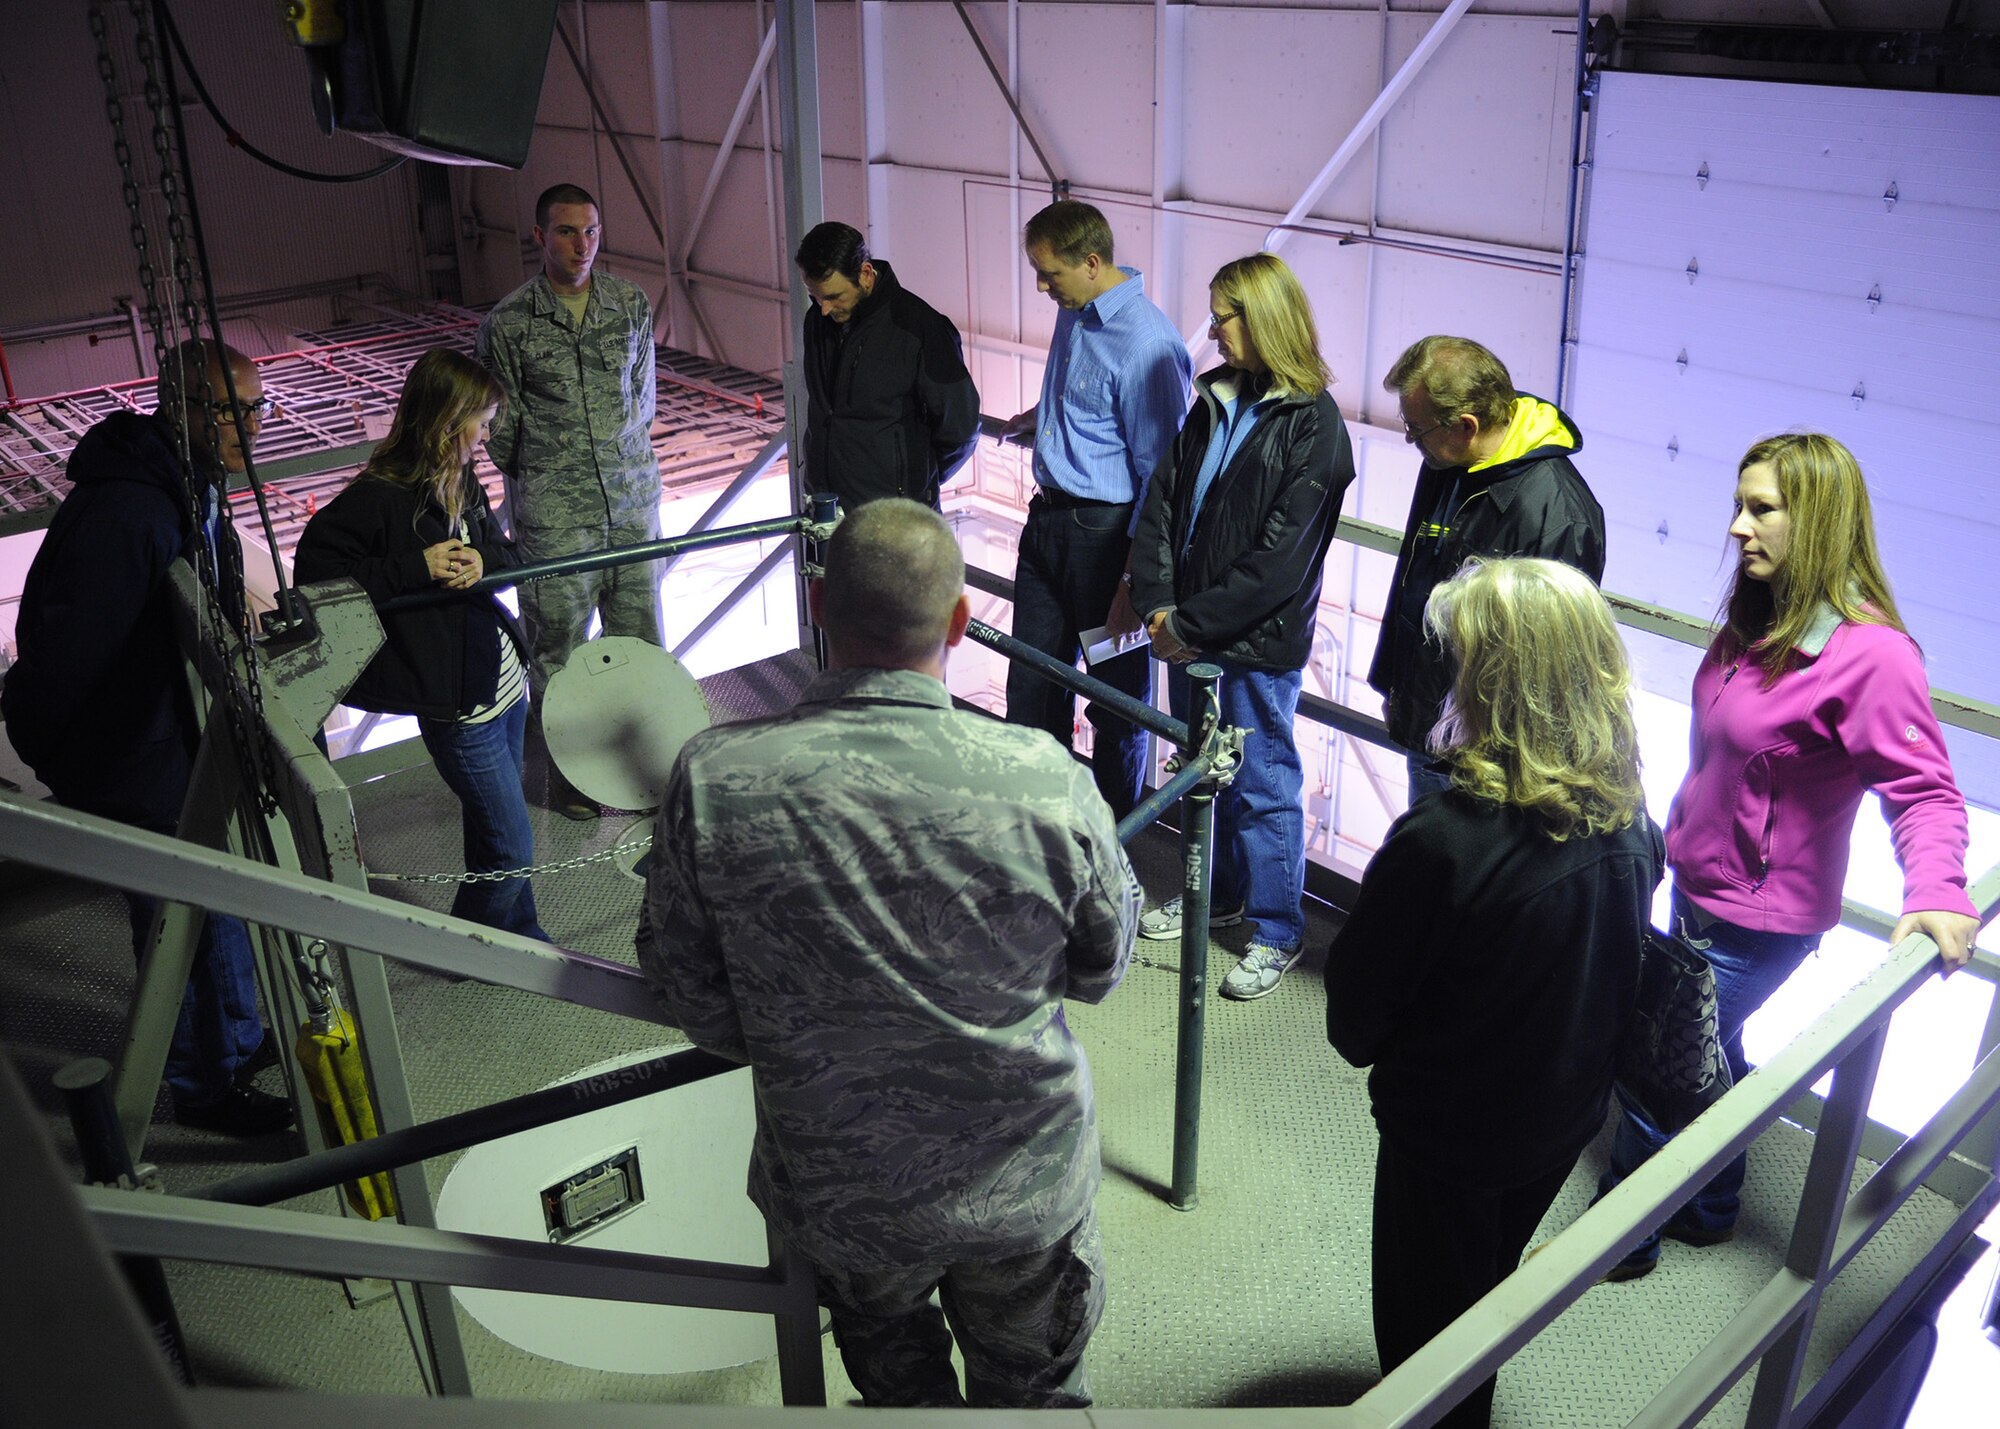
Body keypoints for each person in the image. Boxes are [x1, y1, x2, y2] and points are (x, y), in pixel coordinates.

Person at [638, 498, 1141, 1408]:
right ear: (958, 621)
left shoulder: (715, 779)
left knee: (897, 1395)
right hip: (1020, 1188)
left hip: (842, 1192)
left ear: (820, 603)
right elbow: (1103, 968)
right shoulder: (1045, 779)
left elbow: (694, 994)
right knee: (1034, 1396)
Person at [1598, 431, 1981, 1281]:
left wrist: (1941, 889)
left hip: (1758, 921)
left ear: (1817, 519)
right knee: (1711, 1050)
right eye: (1740, 505)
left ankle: (1614, 1240)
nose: (1738, 526)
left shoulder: (1870, 654)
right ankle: (1713, 1203)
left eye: (1761, 508)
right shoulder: (1755, 617)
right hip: (1695, 881)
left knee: (1662, 1059)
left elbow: (1923, 792)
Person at [1325, 558, 1661, 1429]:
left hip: (1449, 1143)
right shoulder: (1632, 822)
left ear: (1502, 678)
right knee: (1483, 1296)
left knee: (1424, 1346)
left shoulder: (1441, 842)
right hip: (1558, 1126)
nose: (1453, 669)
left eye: (1468, 653)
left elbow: (1354, 1023)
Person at [2, 339, 291, 1136]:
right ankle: (205, 1084)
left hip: (168, 736)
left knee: (212, 901)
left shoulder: (180, 485)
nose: (250, 426)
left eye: (257, 406)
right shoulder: (133, 511)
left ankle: (235, 1039)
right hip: (136, 749)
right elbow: (72, 649)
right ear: (183, 409)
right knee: (179, 916)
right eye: (231, 410)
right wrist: (50, 741)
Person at [1129, 253, 1356, 1000]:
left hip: (1251, 646)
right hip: (1188, 633)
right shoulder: (1216, 398)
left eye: (1225, 314)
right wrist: (1159, 600)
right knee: (1204, 777)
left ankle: (1277, 929)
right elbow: (1163, 498)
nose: (1215, 329)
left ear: (1263, 319)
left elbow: (1278, 563)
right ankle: (1215, 897)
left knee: (1262, 784)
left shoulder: (1314, 426)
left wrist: (1187, 620)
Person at [295, 350, 549, 943]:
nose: (486, 436)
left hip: (503, 688)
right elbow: (316, 577)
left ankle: (522, 935)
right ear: (445, 419)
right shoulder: (379, 496)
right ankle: (471, 947)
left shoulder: (462, 480)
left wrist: (484, 562)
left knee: (495, 831)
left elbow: (507, 556)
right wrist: (416, 567)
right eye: (480, 423)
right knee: (513, 843)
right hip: (460, 710)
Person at [1002, 199, 1192, 821]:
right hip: (1048, 525)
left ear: (1090, 262)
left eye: (1049, 273)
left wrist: (1132, 583)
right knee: (1031, 684)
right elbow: (1089, 403)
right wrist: (1050, 424)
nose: (1041, 285)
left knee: (1116, 704)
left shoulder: (1148, 345)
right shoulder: (1076, 307)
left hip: (1106, 543)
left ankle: (1112, 841)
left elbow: (1162, 477)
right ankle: (1043, 828)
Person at [476, 182, 661, 818]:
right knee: (558, 653)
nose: (580, 246)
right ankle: (574, 783)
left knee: (642, 643)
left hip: (633, 507)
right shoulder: (508, 324)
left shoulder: (629, 303)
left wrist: (615, 461)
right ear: (538, 236)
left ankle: (647, 773)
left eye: (591, 231)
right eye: (565, 232)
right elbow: (501, 431)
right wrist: (557, 474)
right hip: (556, 521)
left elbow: (644, 402)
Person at [1369, 336, 1604, 805]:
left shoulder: (1558, 517)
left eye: (1417, 429)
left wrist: (1490, 756)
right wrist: (1396, 683)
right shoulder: (1448, 462)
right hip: (1429, 727)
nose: (1410, 440)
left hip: (1483, 763)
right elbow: (1414, 579)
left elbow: (1546, 672)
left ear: (1466, 426)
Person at [794, 220, 980, 511]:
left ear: (866, 275)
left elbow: (961, 429)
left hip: (896, 520)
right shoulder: (817, 320)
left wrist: (914, 484)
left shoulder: (921, 328)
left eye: (833, 296)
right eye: (815, 296)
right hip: (827, 513)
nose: (824, 308)